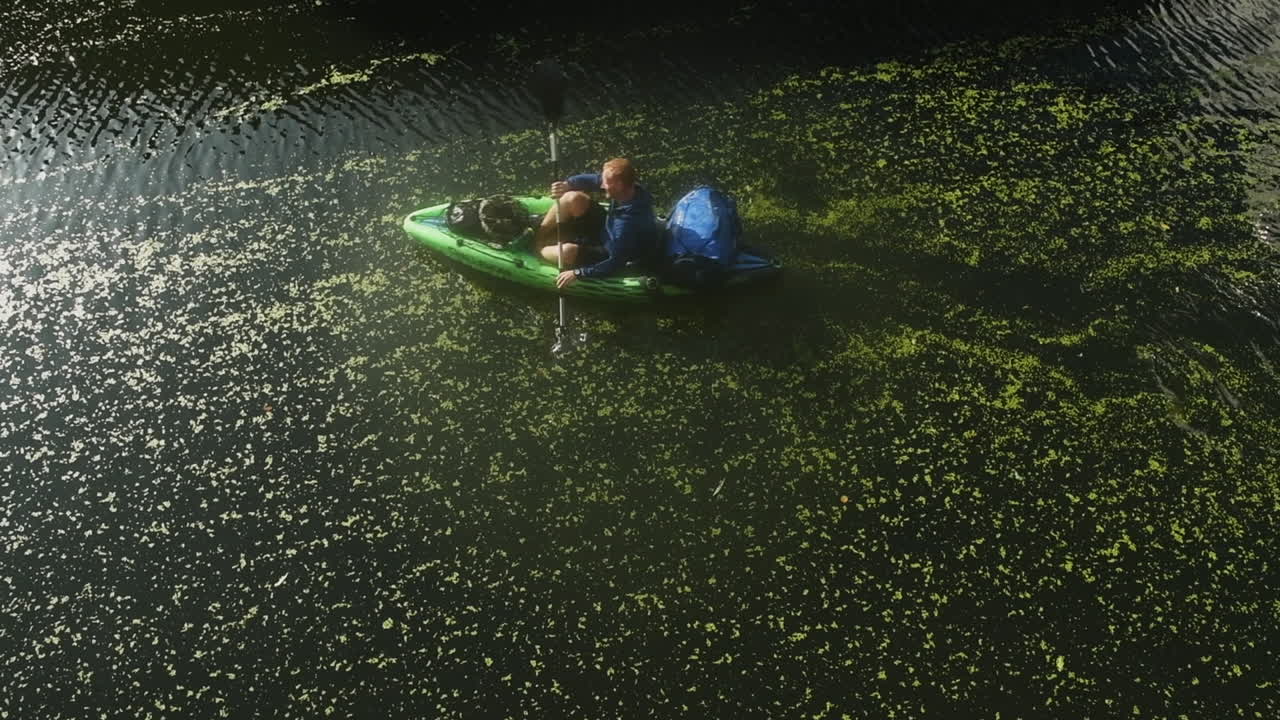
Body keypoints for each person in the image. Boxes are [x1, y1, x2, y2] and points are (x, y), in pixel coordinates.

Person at [533, 157, 660, 289]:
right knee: (572, 198)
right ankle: (539, 236)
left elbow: (614, 263)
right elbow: (594, 180)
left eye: (605, 183)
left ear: (619, 185)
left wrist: (579, 273)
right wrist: (568, 184)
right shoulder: (627, 189)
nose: (601, 185)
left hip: (611, 251)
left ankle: (537, 250)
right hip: (608, 228)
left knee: (567, 251)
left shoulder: (627, 227)